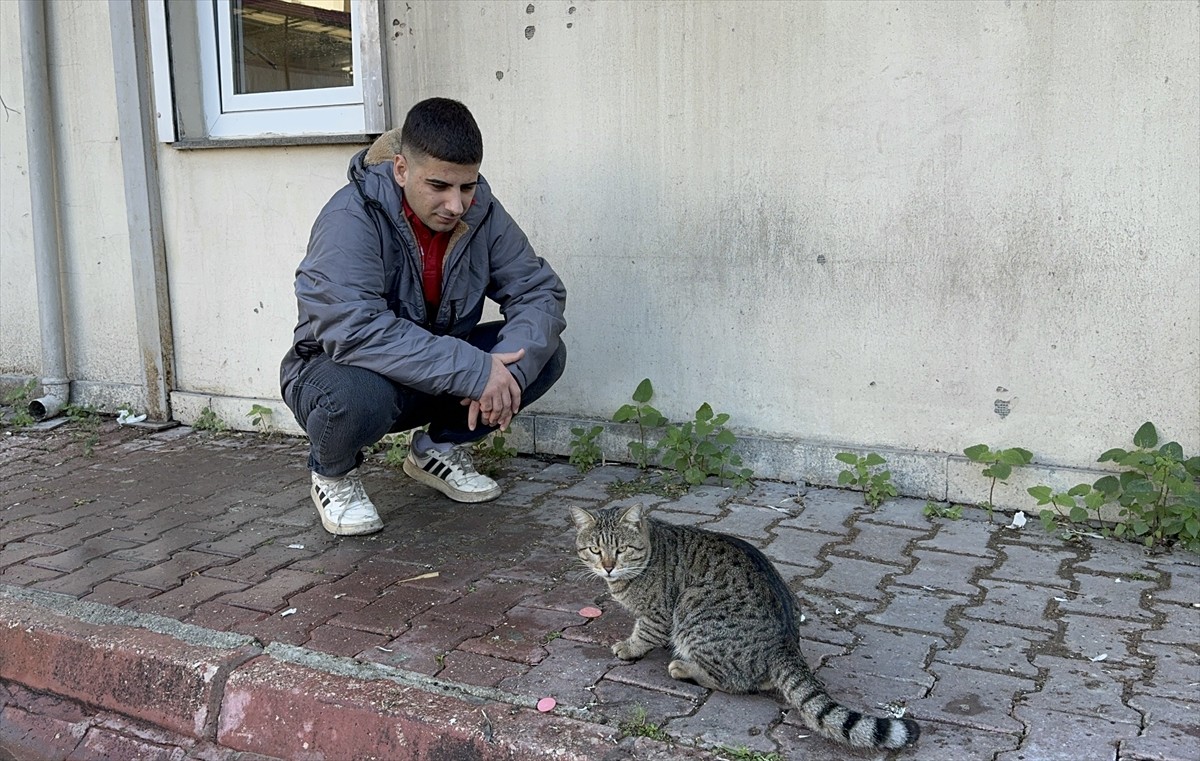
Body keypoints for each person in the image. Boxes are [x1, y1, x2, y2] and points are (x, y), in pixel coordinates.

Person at [280, 98, 567, 536]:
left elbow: (537, 290)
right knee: (356, 398)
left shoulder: (482, 213)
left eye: (466, 187)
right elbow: (351, 330)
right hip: (336, 371)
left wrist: (504, 367)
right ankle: (332, 475)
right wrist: (474, 371)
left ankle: (438, 449)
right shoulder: (350, 215)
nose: (456, 205)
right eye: (439, 186)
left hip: (429, 371)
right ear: (401, 169)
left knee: (540, 354)